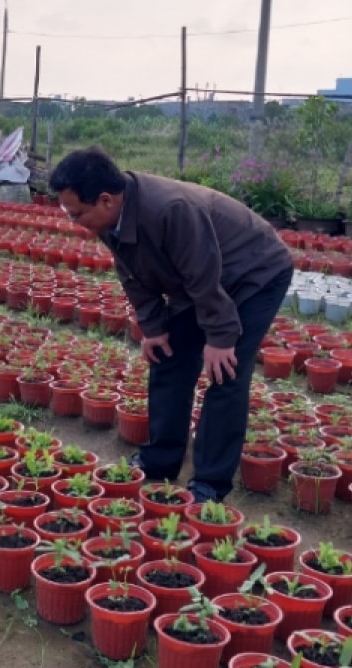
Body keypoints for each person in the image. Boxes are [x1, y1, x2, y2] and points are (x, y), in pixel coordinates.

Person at [49, 147, 293, 503]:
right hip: (199, 280)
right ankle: (160, 459)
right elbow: (131, 271)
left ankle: (210, 481)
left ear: (104, 200)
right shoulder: (109, 217)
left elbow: (204, 275)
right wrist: (154, 326)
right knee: (168, 357)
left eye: (77, 214)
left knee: (226, 372)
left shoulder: (171, 209)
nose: (75, 221)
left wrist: (221, 337)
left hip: (253, 273)